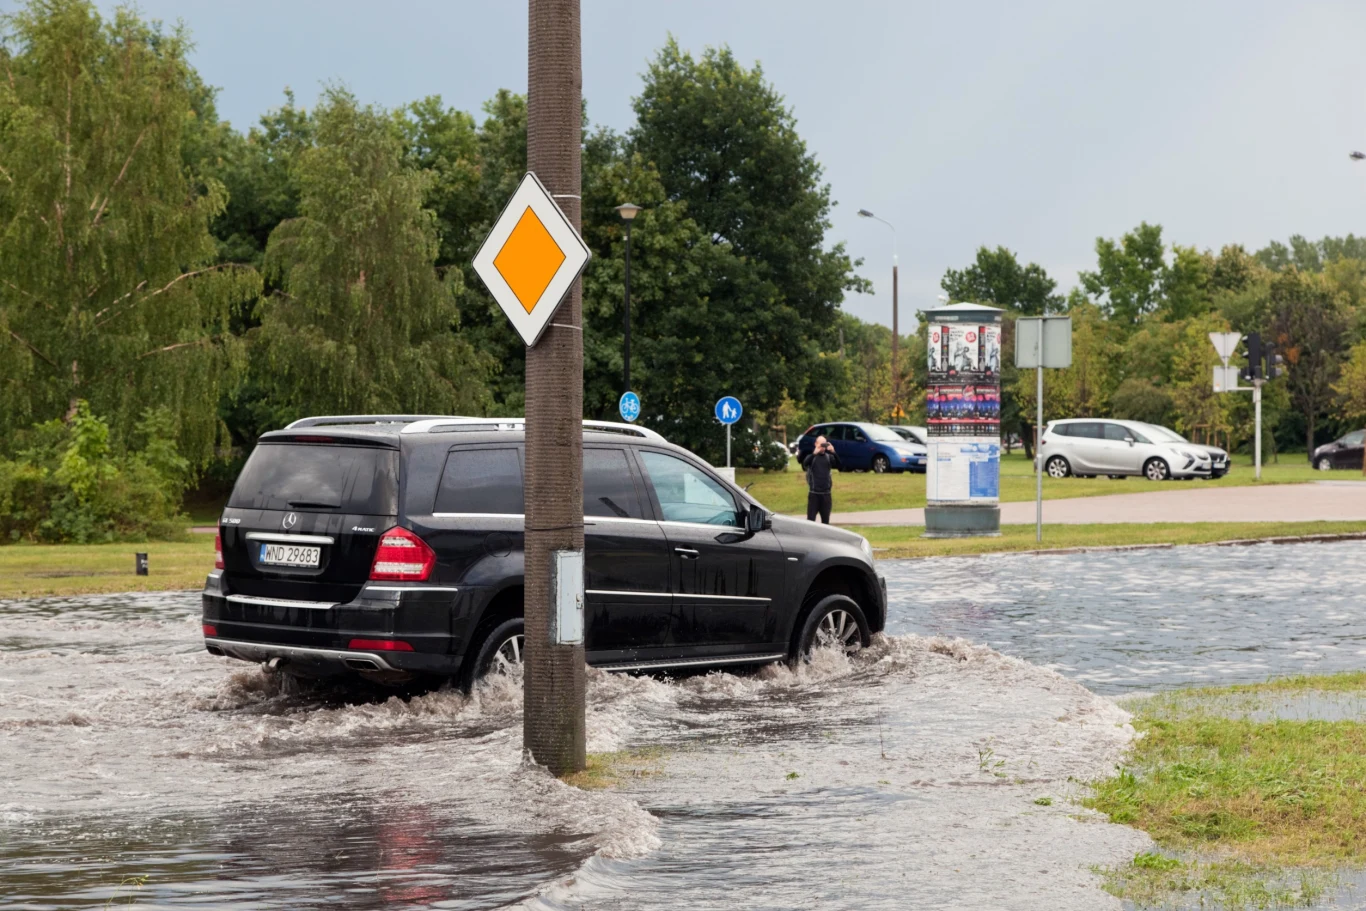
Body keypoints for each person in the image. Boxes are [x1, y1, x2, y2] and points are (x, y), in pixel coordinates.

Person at [800, 435, 840, 524]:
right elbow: (805, 463)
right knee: (810, 521)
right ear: (816, 444)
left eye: (824, 444)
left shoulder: (828, 457)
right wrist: (814, 453)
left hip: (826, 494)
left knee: (825, 522)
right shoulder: (812, 457)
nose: (823, 447)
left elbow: (839, 464)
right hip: (814, 494)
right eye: (821, 445)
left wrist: (833, 451)